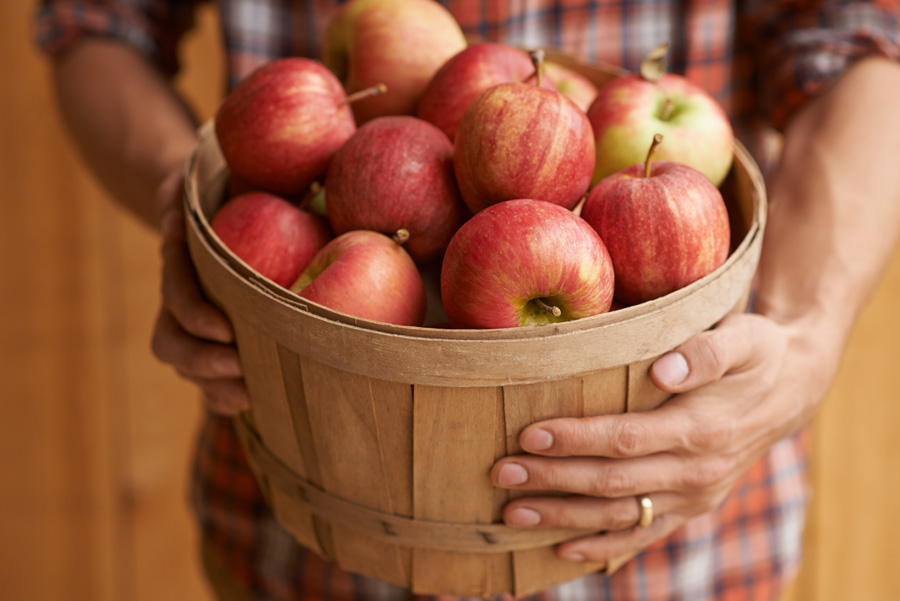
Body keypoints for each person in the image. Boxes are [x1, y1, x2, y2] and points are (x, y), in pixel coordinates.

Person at [34, 1, 900, 599]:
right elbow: (97, 22)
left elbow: (869, 35)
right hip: (302, 535)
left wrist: (808, 331)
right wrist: (178, 208)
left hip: (685, 548)